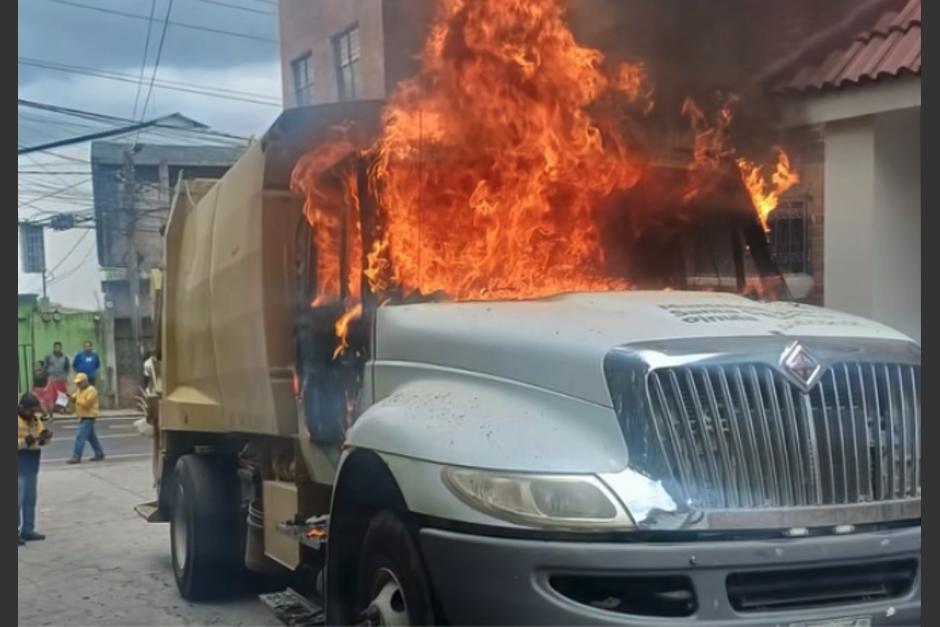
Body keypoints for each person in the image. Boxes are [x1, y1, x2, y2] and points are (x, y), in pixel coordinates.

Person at [18, 393, 52, 546]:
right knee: (17, 500)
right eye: (30, 410)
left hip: (32, 462)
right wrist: (26, 441)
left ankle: (28, 529)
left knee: (30, 499)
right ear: (22, 408)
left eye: (34, 410)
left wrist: (45, 437)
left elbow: (40, 440)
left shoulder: (35, 420)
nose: (33, 413)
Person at [67, 372, 104, 464]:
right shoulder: (80, 390)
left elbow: (87, 403)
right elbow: (74, 397)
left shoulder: (91, 390)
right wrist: (70, 398)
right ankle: (99, 453)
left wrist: (76, 400)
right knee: (91, 437)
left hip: (89, 416)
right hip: (82, 416)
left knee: (80, 437)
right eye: (77, 383)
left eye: (80, 383)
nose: (78, 385)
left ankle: (76, 456)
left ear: (85, 382)